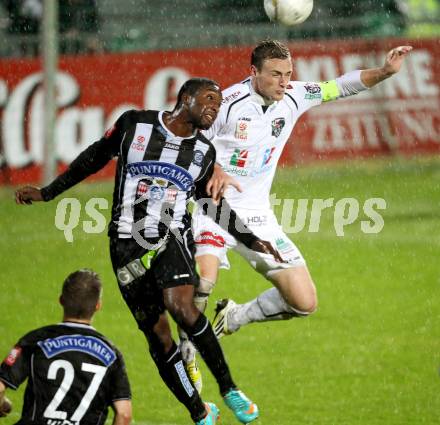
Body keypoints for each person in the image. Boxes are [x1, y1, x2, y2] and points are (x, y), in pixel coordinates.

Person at [15, 78, 282, 424]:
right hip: (125, 245)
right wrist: (49, 192)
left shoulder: (204, 151)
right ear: (185, 99)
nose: (215, 108)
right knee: (158, 336)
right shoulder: (134, 124)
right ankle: (199, 412)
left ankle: (229, 387)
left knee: (180, 306)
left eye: (219, 103)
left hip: (169, 237)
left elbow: (209, 203)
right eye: (209, 99)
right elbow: (93, 158)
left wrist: (250, 238)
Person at [178, 40, 413, 390]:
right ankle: (186, 355)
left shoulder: (294, 96)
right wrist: (212, 169)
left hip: (257, 215)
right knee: (205, 279)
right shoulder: (225, 104)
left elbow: (340, 86)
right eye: (275, 74)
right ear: (254, 72)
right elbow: (187, 140)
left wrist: (384, 72)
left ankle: (234, 317)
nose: (284, 82)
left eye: (288, 74)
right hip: (215, 207)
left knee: (304, 302)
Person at [0, 269, 132, 424]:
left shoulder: (35, 341)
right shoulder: (111, 355)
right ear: (97, 306)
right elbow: (124, 414)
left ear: (61, 300)